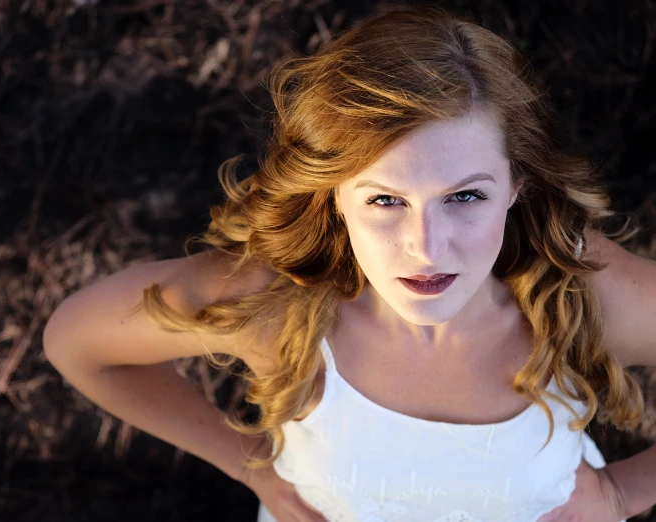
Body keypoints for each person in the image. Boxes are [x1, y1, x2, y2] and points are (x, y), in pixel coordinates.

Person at [42, 5, 656, 522]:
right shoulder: (276, 309)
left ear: (516, 183)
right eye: (386, 200)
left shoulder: (579, 295)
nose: (426, 246)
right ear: (334, 194)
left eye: (464, 196)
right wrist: (248, 466)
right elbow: (77, 344)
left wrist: (622, 493)